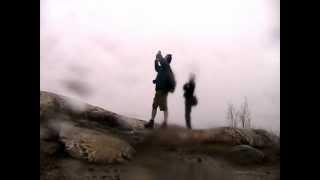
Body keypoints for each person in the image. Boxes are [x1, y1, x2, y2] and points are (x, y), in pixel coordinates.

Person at [145, 51, 175, 129]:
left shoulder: (167, 66)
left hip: (163, 90)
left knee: (164, 107)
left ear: (167, 59)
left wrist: (159, 54)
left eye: (165, 57)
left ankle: (165, 124)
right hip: (158, 90)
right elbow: (157, 68)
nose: (164, 57)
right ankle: (151, 122)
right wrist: (156, 61)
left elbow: (162, 60)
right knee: (155, 105)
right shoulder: (163, 67)